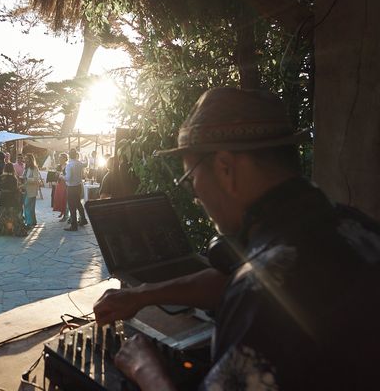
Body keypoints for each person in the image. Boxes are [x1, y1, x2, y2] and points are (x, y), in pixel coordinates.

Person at [93, 87, 380, 390]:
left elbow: (255, 292)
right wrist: (142, 295)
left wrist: (144, 368)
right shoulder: (354, 226)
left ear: (225, 168)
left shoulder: (259, 298)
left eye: (191, 180)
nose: (195, 197)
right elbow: (231, 283)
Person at [0, 163, 27, 237]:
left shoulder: (1, 177)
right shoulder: (14, 178)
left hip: (3, 198)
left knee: (2, 215)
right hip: (11, 198)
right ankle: (14, 229)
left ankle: (2, 229)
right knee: (13, 215)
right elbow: (15, 189)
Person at [64, 148, 87, 231]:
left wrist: (61, 177)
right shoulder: (79, 163)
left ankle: (74, 225)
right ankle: (83, 219)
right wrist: (85, 157)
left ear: (69, 155)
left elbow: (68, 178)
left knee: (72, 206)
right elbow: (86, 164)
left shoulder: (69, 165)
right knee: (78, 204)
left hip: (71, 187)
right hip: (78, 186)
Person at [23, 154, 41, 228]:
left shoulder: (35, 168)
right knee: (30, 206)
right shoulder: (26, 168)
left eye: (27, 159)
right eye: (25, 159)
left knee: (27, 205)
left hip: (32, 190)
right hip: (26, 189)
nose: (25, 160)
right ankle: (32, 221)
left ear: (31, 160)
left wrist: (27, 179)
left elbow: (36, 179)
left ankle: (29, 222)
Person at [52, 153, 68, 220]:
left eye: (61, 157)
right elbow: (56, 175)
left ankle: (65, 215)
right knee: (59, 198)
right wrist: (56, 174)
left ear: (65, 158)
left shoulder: (67, 166)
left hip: (65, 184)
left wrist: (61, 175)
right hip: (59, 184)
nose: (60, 159)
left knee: (64, 199)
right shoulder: (58, 166)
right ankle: (62, 212)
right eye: (59, 157)